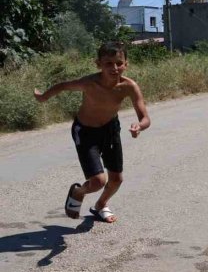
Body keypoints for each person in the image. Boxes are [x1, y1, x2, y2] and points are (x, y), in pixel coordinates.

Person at [33, 41, 150, 223]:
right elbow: (63, 86)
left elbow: (145, 118)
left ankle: (101, 205)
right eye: (108, 63)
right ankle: (78, 192)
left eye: (119, 63)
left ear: (126, 64)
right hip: (85, 132)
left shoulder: (129, 87)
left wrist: (139, 126)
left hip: (110, 130)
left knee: (117, 180)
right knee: (97, 182)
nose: (115, 68)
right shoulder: (89, 83)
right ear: (98, 64)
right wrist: (43, 97)